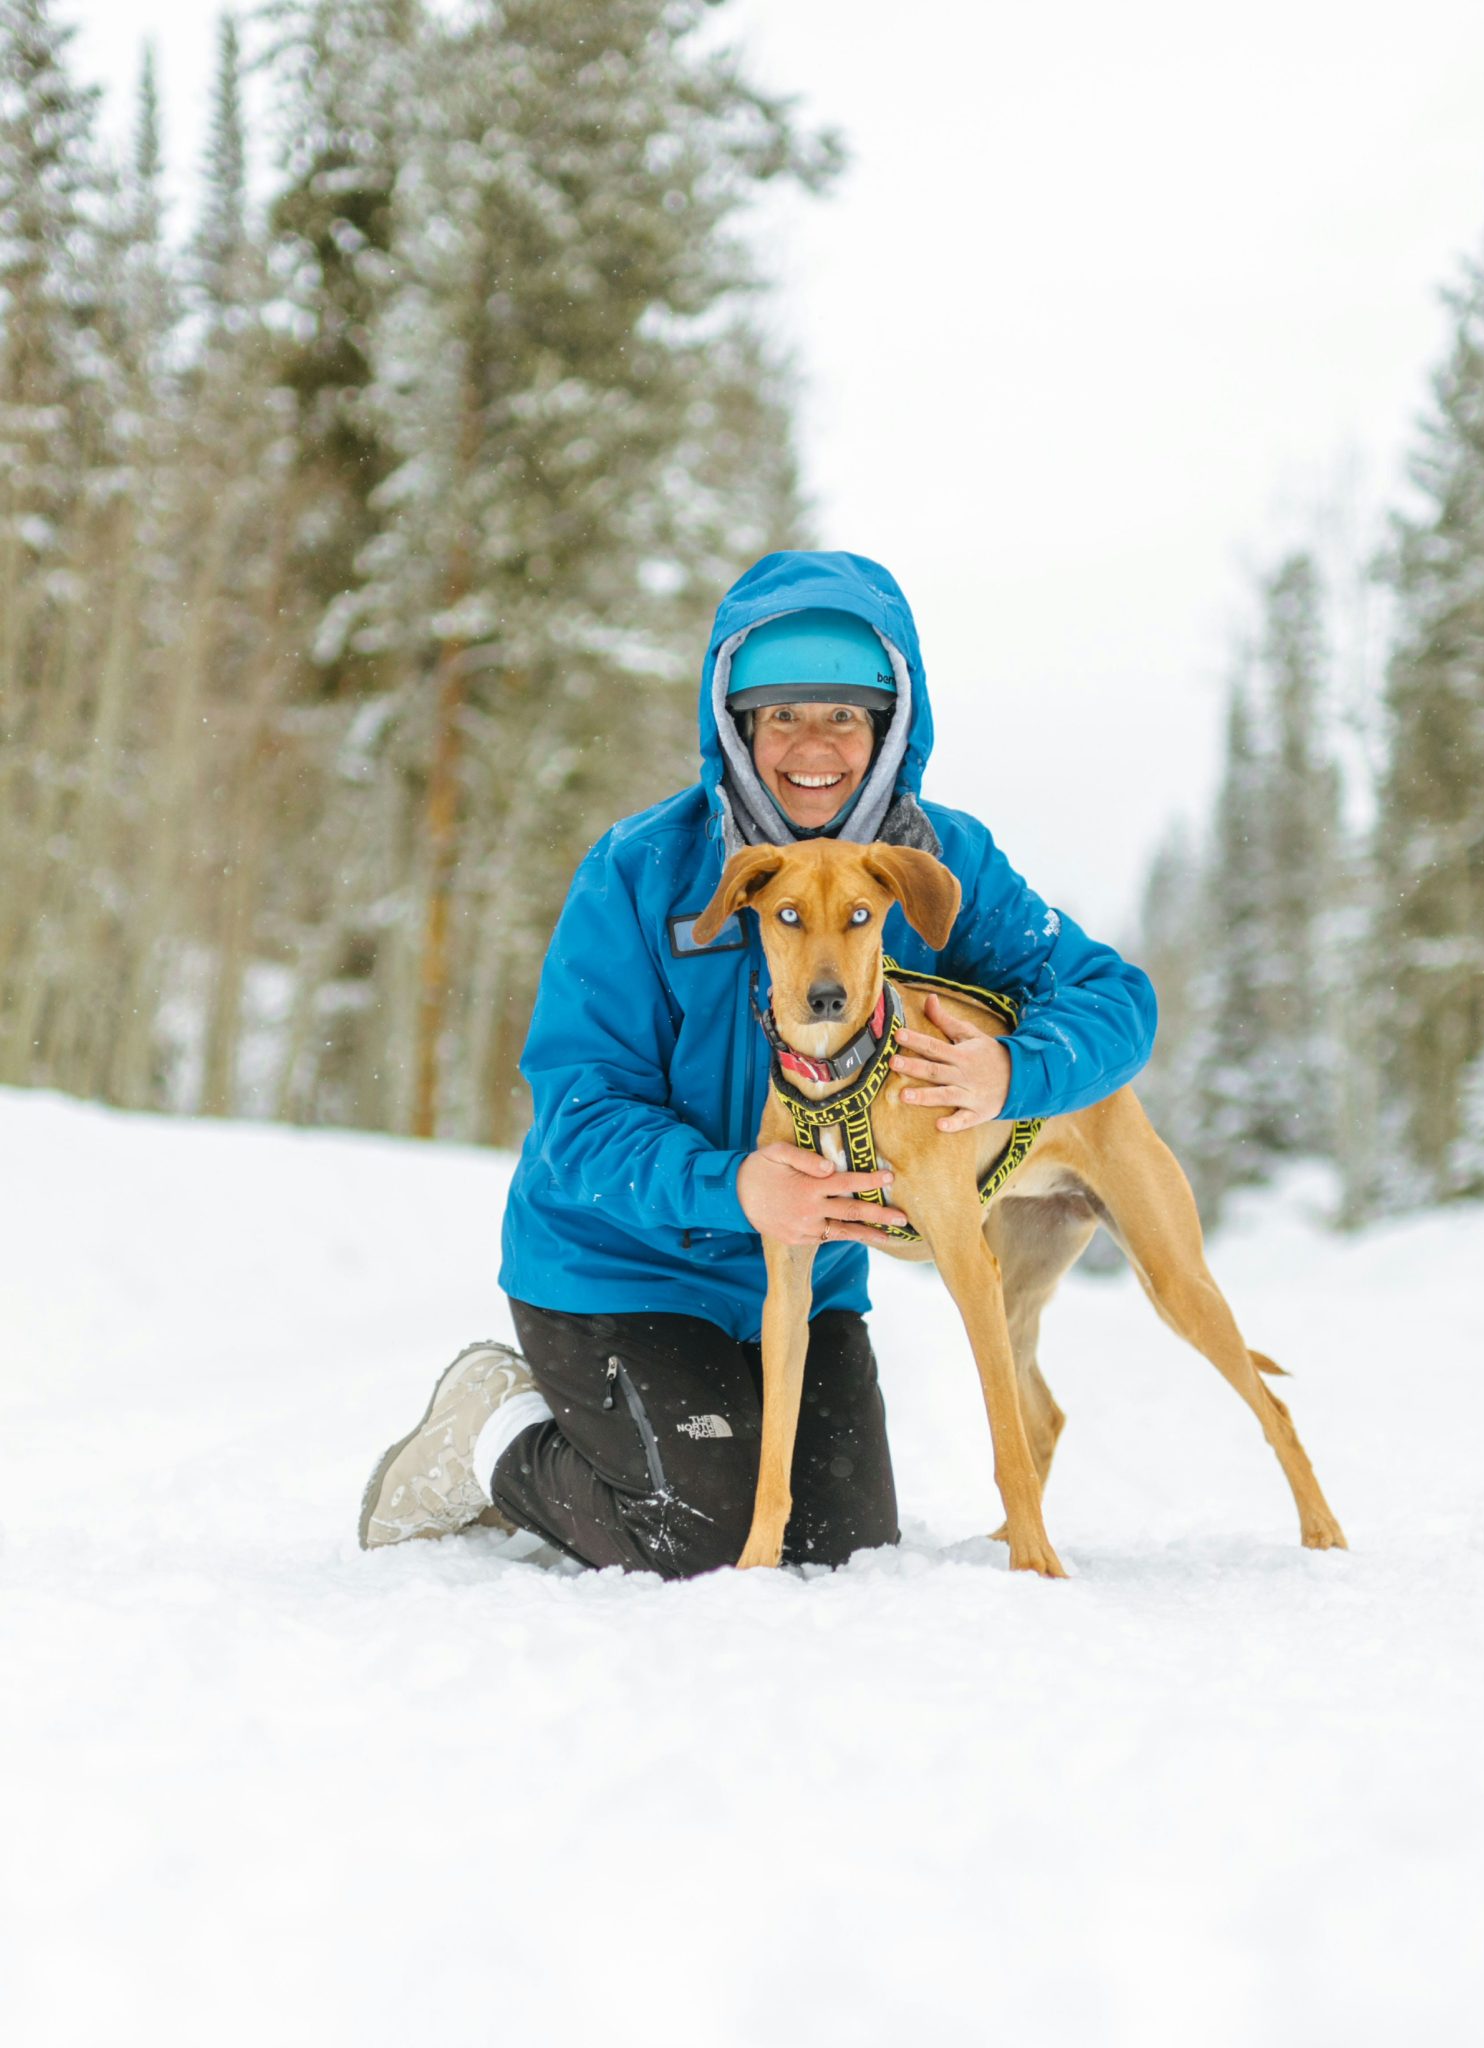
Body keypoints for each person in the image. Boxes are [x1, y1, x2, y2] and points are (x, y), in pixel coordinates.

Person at [359, 550, 1157, 1574]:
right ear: (735, 724)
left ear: (890, 726)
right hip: (623, 1265)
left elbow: (1112, 1000)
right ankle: (490, 1434)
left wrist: (1013, 1070)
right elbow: (578, 1111)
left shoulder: (933, 863)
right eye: (781, 715)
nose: (813, 746)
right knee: (698, 1535)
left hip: (801, 1282)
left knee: (840, 1551)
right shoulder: (642, 870)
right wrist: (733, 1183)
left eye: (844, 716)